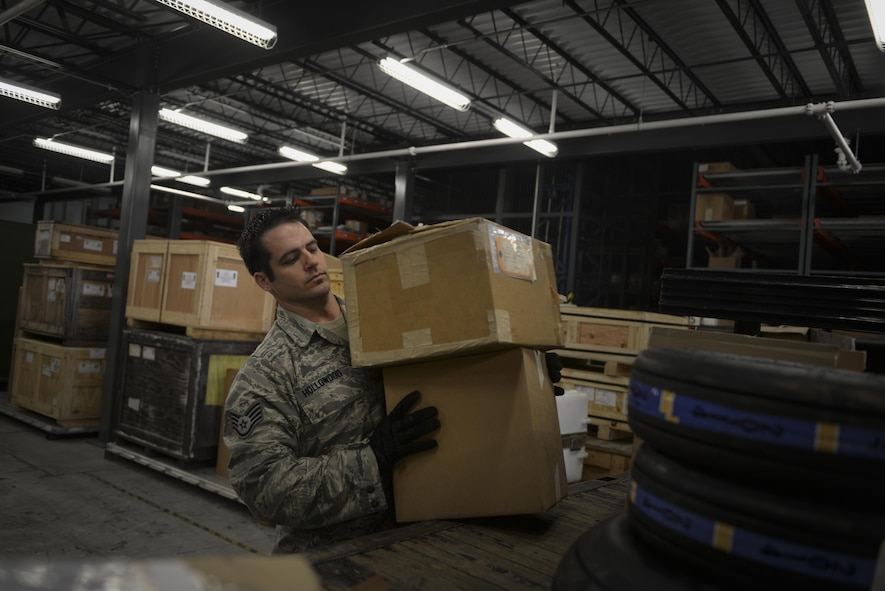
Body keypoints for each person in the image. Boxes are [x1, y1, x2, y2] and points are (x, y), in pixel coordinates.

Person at [223, 207, 440, 554]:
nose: (312, 262)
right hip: (337, 557)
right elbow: (264, 489)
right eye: (292, 258)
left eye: (312, 248)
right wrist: (373, 460)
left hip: (427, 532)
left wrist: (513, 371)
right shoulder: (267, 374)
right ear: (265, 280)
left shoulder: (385, 320)